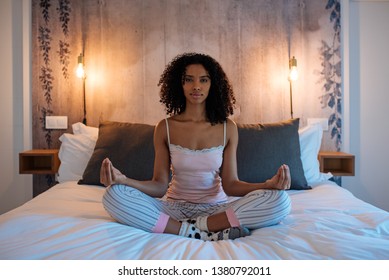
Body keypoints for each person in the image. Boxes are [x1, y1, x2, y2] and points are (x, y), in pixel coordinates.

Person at [101, 52, 291, 241]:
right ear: (180, 84)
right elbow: (159, 186)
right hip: (173, 208)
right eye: (189, 80)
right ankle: (198, 232)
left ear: (212, 85)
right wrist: (123, 180)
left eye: (204, 80)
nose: (196, 86)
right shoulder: (165, 127)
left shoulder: (228, 128)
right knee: (114, 195)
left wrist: (268, 185)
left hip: (216, 210)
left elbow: (231, 185)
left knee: (281, 200)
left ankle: (196, 227)